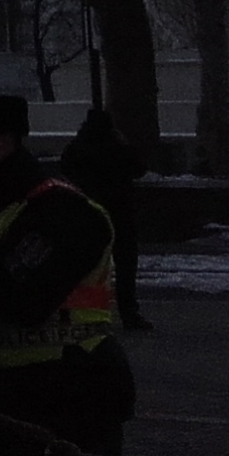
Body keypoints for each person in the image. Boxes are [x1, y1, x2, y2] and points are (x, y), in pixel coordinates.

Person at [0, 91, 135, 456]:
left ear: (4, 140)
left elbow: (22, 302)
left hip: (71, 397)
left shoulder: (63, 211)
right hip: (15, 400)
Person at [60, 107, 152, 331]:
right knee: (125, 265)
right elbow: (139, 168)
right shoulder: (117, 147)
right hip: (120, 210)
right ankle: (129, 313)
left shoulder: (78, 146)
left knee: (82, 265)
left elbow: (66, 167)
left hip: (89, 210)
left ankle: (75, 312)